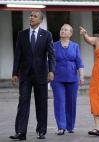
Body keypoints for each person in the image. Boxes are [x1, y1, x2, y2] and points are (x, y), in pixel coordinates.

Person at [9, 11, 55, 140]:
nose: (31, 17)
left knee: (41, 103)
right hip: (25, 75)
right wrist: (14, 73)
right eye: (30, 16)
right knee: (23, 102)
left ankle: (41, 131)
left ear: (40, 20)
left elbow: (51, 55)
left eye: (34, 16)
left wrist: (51, 71)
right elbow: (18, 55)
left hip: (41, 74)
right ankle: (20, 132)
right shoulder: (21, 34)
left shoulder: (46, 35)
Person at [51, 24, 84, 135]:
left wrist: (81, 76)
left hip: (72, 78)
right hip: (57, 78)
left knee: (71, 102)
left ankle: (70, 126)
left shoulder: (75, 46)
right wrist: (49, 73)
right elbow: (49, 61)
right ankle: (61, 126)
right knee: (59, 101)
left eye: (66, 30)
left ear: (70, 33)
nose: (63, 31)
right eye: (62, 29)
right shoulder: (53, 45)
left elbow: (79, 62)